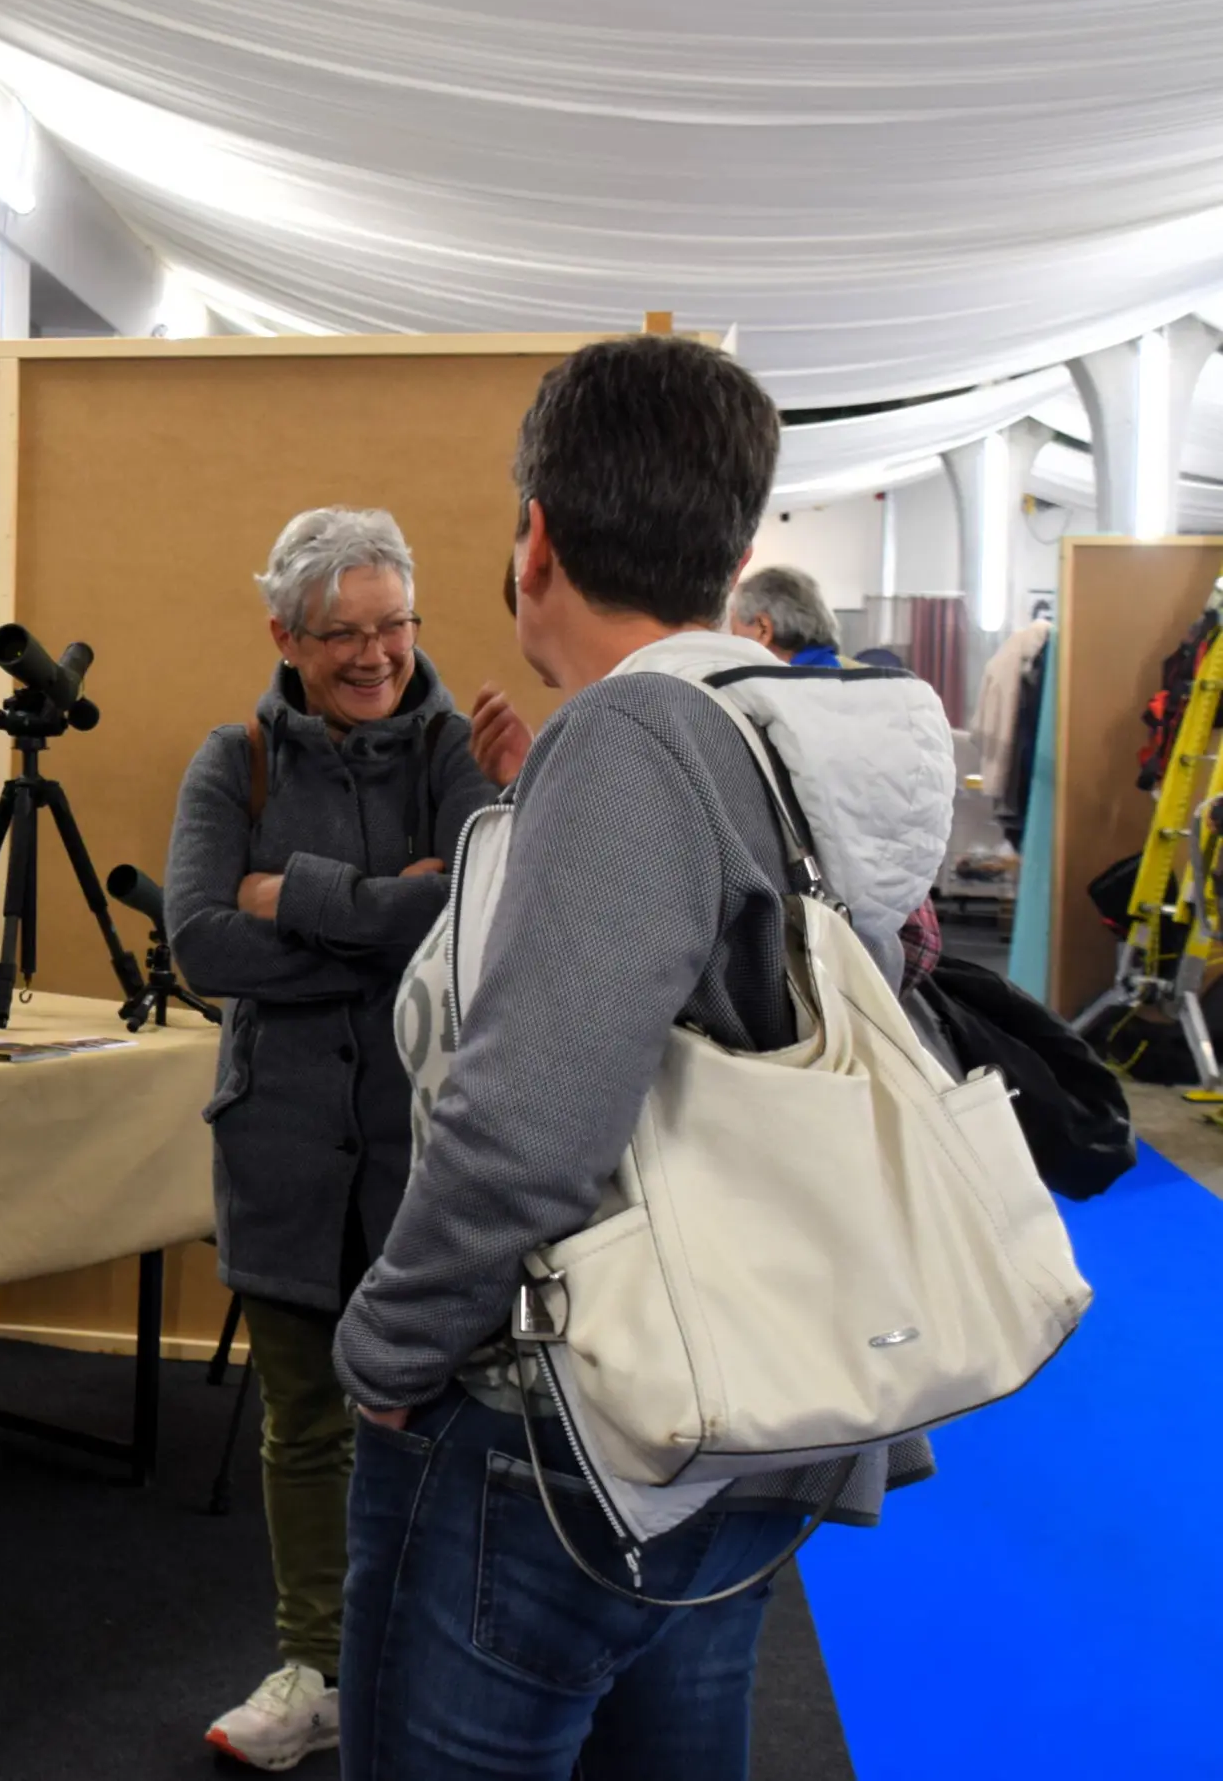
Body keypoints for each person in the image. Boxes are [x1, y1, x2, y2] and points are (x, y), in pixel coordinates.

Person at [330, 336, 955, 1781]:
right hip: (756, 1394)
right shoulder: (791, 735)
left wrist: (389, 1346)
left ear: (534, 535)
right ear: (737, 548)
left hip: (569, 1416)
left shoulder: (628, 747)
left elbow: (527, 1121)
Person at [162, 507, 523, 1771]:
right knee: (305, 1425)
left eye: (393, 627)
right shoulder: (232, 760)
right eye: (343, 635)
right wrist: (388, 920)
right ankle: (314, 1663)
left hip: (437, 1159)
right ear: (285, 635)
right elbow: (201, 943)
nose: (374, 655)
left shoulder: (457, 751)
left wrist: (297, 899)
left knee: (447, 1426)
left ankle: (430, 1666)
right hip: (282, 1152)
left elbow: (476, 924)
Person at [727, 562, 844, 665]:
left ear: (763, 630)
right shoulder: (844, 674)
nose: (729, 639)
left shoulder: (778, 688)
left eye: (732, 628)